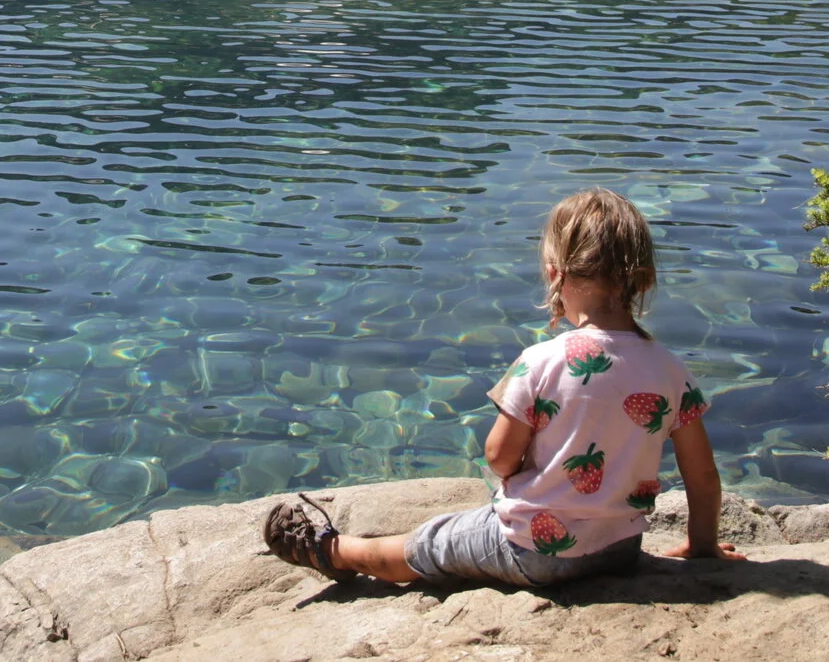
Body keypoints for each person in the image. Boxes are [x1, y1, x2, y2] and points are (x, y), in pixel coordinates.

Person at [262, 188, 741, 589]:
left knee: (431, 542)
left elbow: (498, 457)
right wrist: (702, 546)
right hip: (619, 549)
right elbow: (701, 477)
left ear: (555, 274)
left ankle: (335, 551)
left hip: (535, 551)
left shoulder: (540, 361)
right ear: (642, 279)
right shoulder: (669, 368)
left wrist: (523, 468)